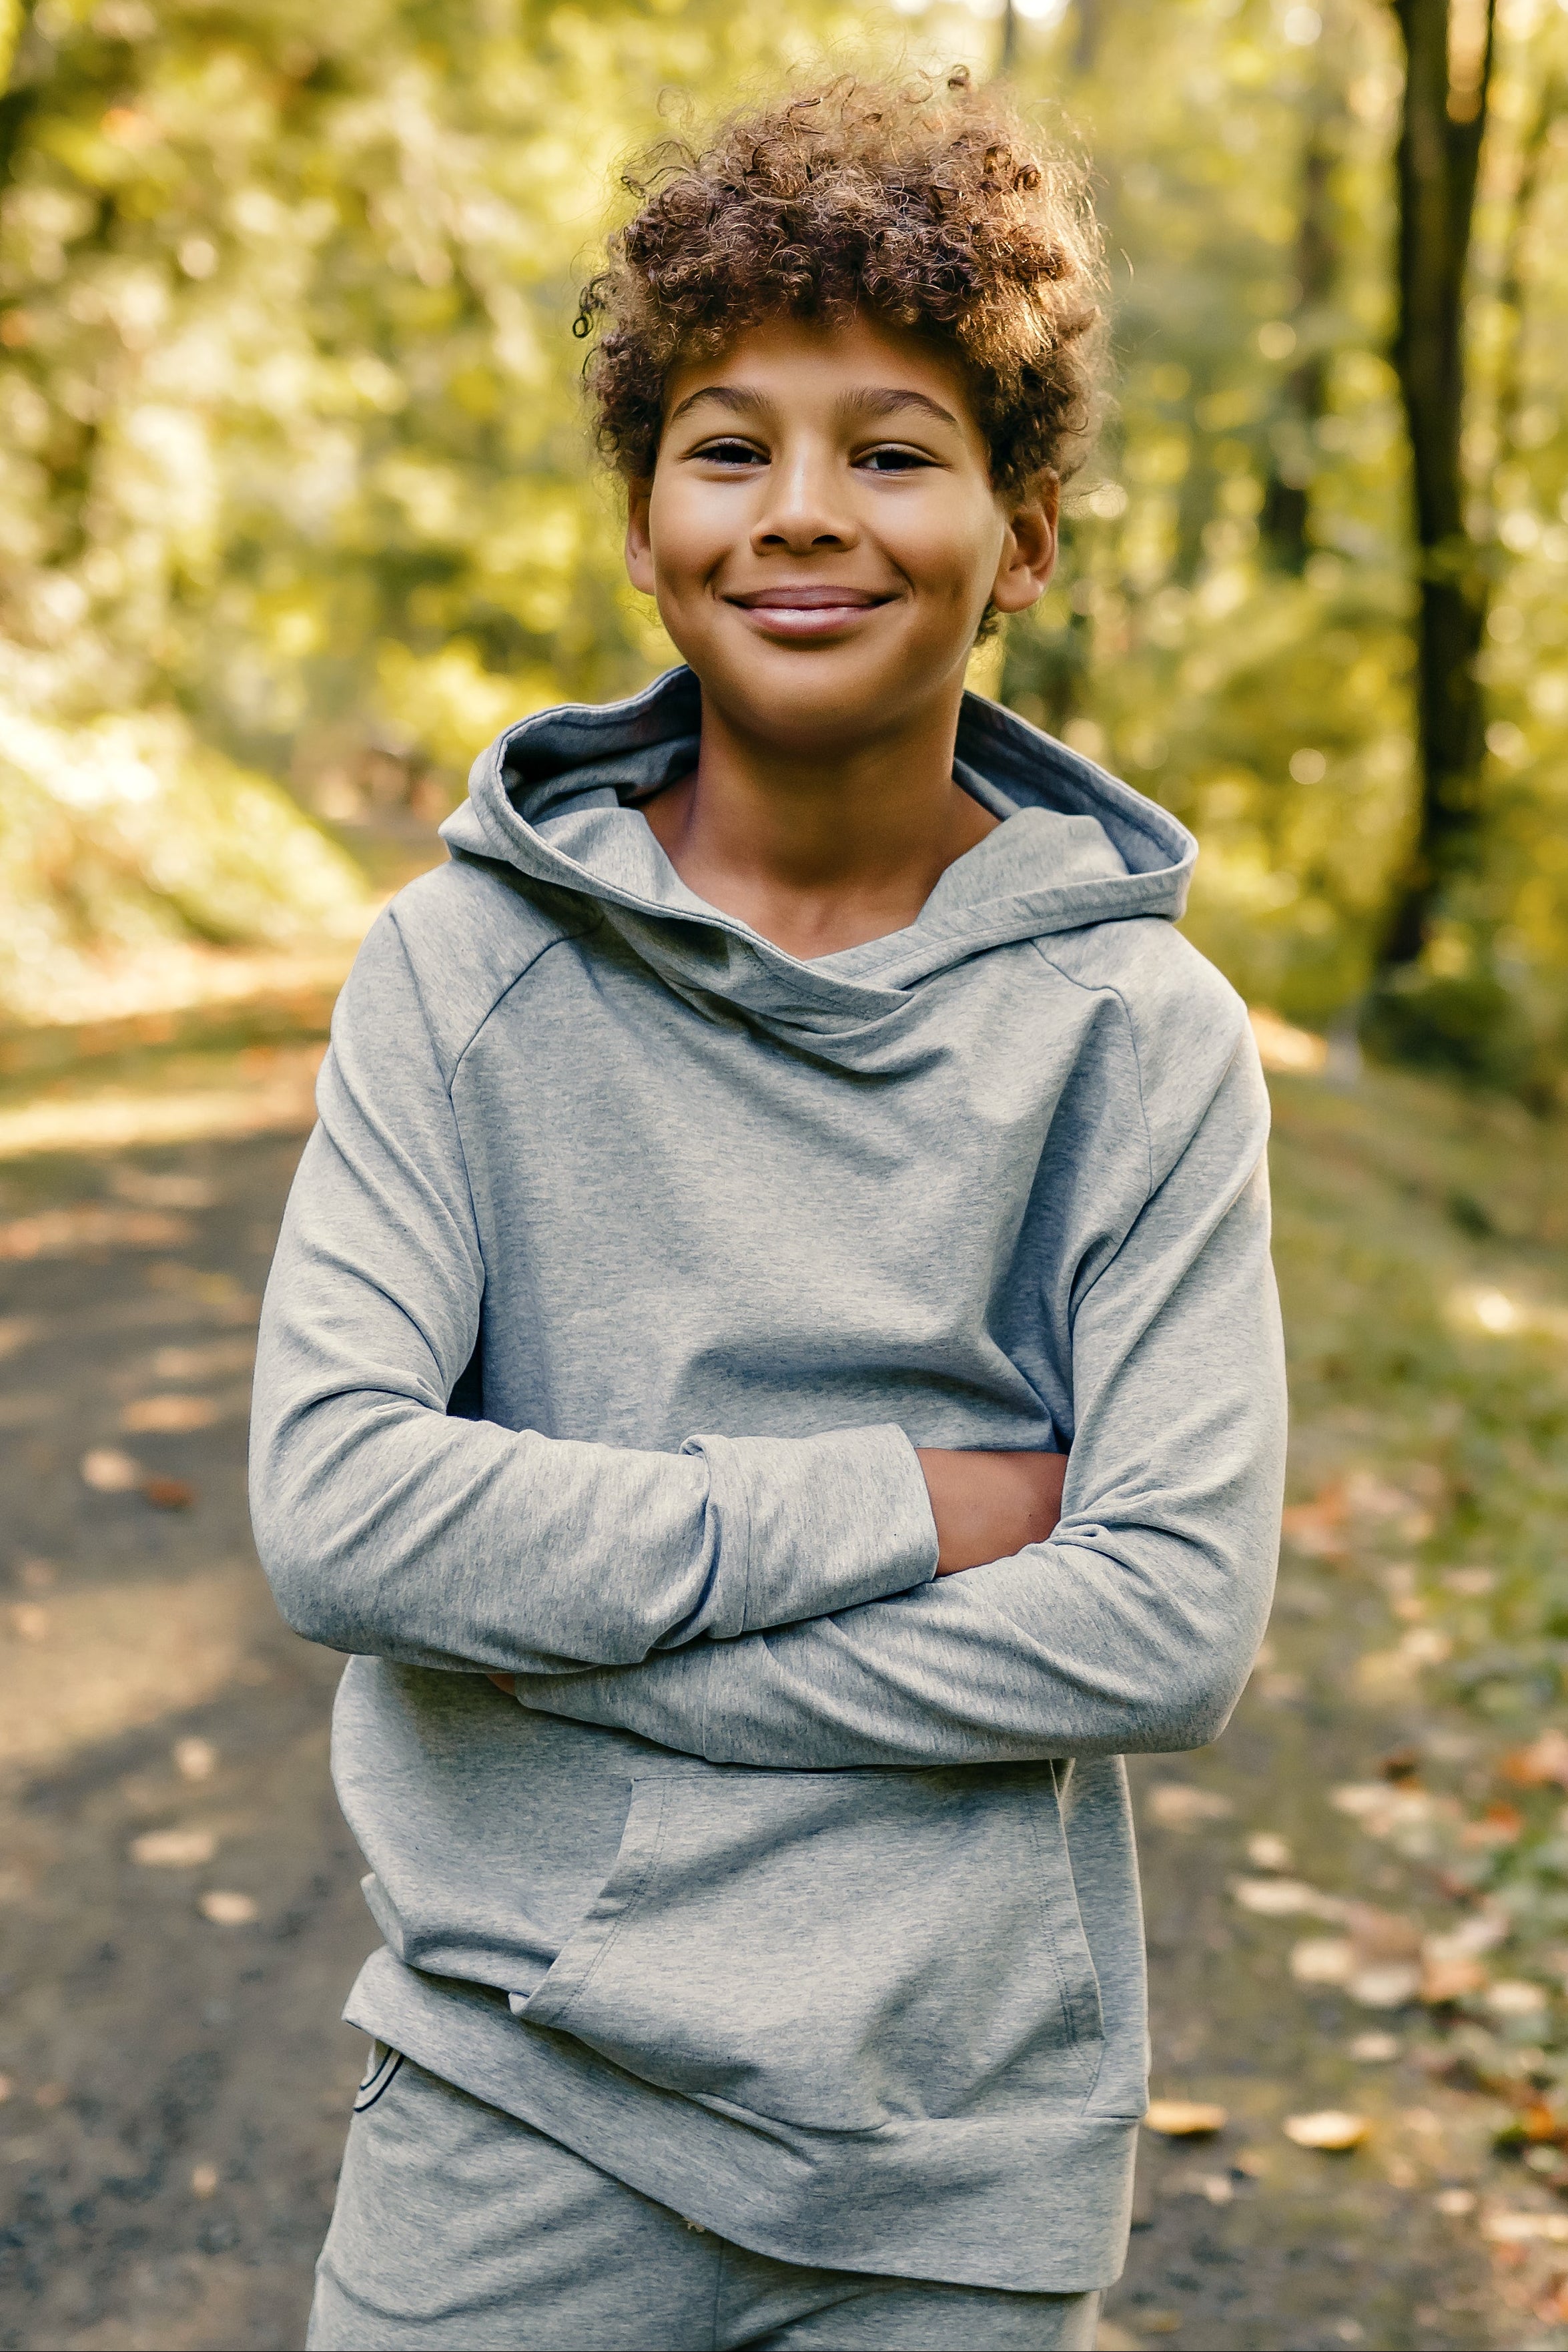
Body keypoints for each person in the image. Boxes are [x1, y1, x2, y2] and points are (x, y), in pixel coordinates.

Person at [250, 67, 1286, 2352]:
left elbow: (1168, 1622)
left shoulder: (1141, 1038)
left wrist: (569, 1646)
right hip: (514, 2099)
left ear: (1021, 534)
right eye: (730, 445)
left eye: (896, 450)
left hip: (953, 2155)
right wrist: (918, 1501)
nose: (804, 513)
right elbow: (338, 1512)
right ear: (642, 520)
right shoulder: (462, 975)